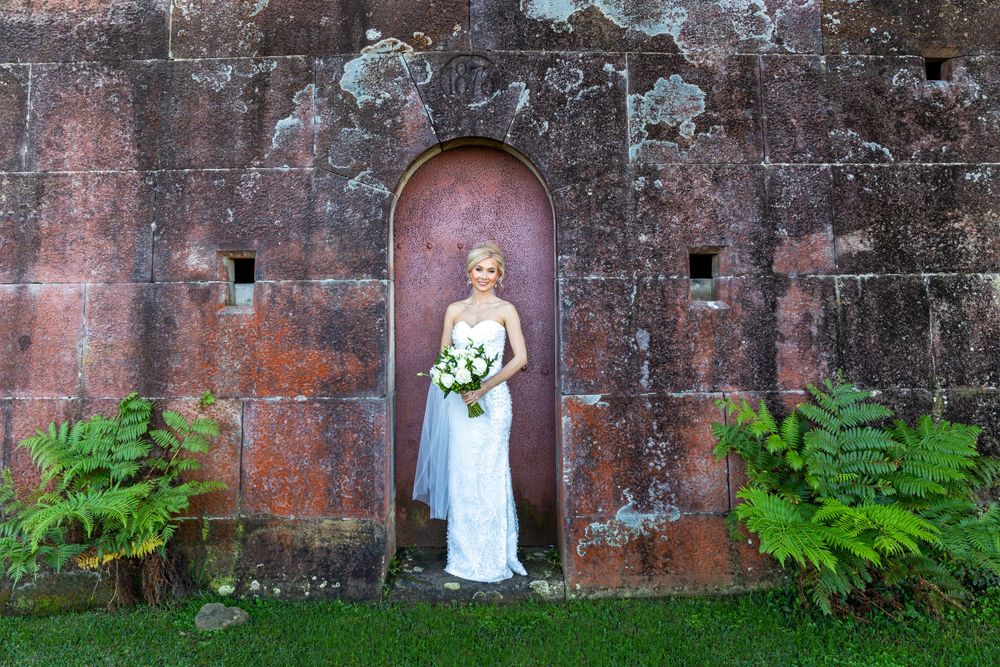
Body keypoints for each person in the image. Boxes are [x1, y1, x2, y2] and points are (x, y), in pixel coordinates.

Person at [412, 241, 529, 582]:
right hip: (460, 403)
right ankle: (464, 556)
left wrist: (484, 387)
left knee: (489, 472)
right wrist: (455, 379)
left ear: (499, 275)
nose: (484, 276)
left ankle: (494, 557)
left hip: (493, 403)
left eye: (491, 270)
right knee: (463, 473)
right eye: (479, 269)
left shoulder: (506, 309)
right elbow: (444, 356)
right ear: (469, 271)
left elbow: (521, 359)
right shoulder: (454, 310)